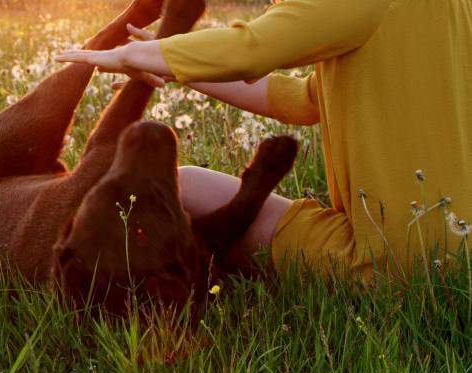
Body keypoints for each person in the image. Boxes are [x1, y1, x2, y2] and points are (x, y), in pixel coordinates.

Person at [55, 0, 472, 283]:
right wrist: (174, 60)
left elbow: (254, 47)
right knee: (189, 184)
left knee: (174, 196)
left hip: (392, 260)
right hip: (459, 240)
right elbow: (306, 99)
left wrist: (130, 56)